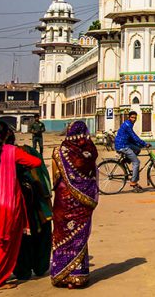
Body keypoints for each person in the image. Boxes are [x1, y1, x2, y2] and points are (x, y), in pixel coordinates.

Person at [0, 120, 43, 287]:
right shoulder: (11, 151)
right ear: (8, 134)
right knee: (5, 243)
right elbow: (36, 163)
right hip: (7, 204)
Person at [48, 120, 98, 288]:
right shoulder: (90, 152)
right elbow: (93, 177)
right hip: (83, 203)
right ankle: (77, 276)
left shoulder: (58, 152)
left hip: (63, 201)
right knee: (78, 236)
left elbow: (55, 179)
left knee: (63, 234)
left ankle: (61, 275)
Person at [12, 127, 51, 284]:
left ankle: (21, 269)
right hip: (33, 199)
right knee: (38, 231)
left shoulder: (0, 154)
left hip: (11, 202)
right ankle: (39, 266)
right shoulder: (24, 151)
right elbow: (40, 168)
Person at [114, 110, 150, 192]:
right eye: (132, 117)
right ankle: (133, 182)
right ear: (129, 117)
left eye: (135, 118)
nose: (134, 119)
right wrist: (144, 143)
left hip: (125, 143)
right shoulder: (128, 125)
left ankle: (125, 160)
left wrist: (139, 144)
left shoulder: (128, 123)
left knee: (137, 149)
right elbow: (133, 136)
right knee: (136, 162)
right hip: (122, 146)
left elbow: (130, 138)